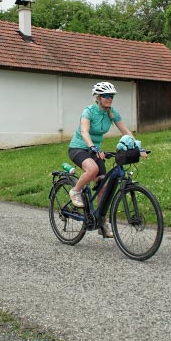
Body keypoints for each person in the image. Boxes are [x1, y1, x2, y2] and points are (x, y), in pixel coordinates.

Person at [67, 81, 142, 238]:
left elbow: (125, 131)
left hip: (96, 150)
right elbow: (85, 131)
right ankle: (75, 191)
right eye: (106, 96)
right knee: (93, 169)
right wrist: (92, 147)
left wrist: (137, 147)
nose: (109, 99)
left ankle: (101, 221)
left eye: (111, 96)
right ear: (98, 97)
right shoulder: (88, 111)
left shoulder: (112, 113)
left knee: (103, 184)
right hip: (79, 148)